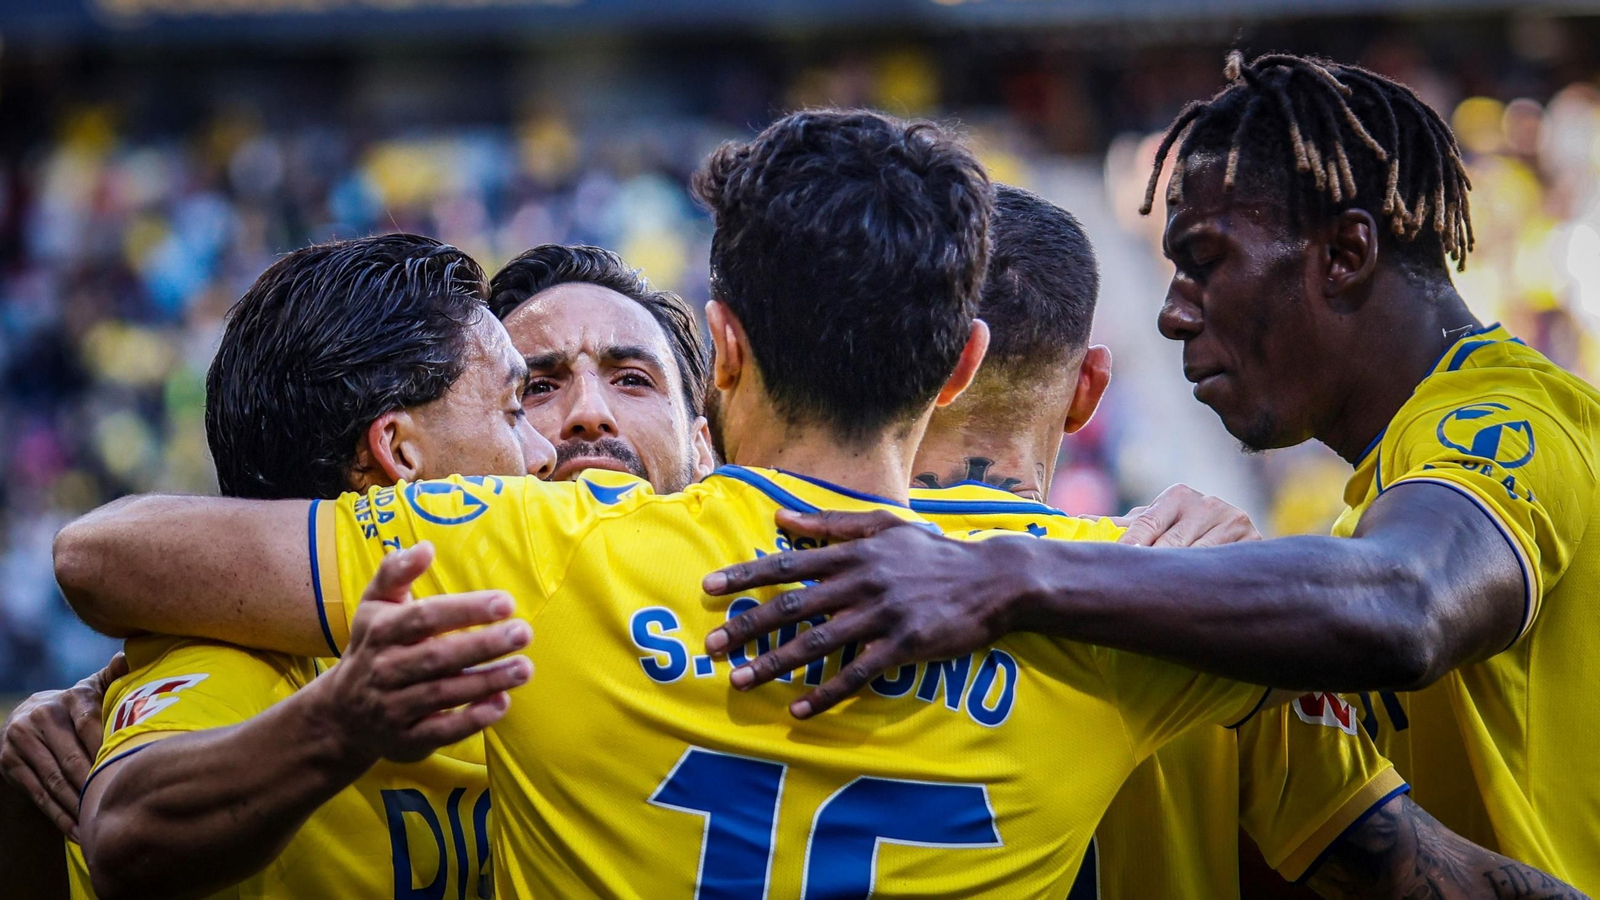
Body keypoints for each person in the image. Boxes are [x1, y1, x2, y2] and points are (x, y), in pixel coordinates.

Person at [50, 109, 1579, 898]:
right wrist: (1112, 561)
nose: (574, 422)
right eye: (533, 388)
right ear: (963, 358)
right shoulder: (1139, 616)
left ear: (717, 354)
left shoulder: (530, 560)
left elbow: (112, 552)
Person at [700, 54, 1600, 893]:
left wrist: (1012, 572)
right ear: (1082, 389)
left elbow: (1410, 602)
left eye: (1203, 262)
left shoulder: (1510, 423)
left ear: (1347, 253)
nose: (1171, 316)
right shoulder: (1228, 593)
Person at [60, 234, 553, 899]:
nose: (545, 452)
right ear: (398, 455)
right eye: (515, 409)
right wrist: (339, 724)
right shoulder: (245, 661)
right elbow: (124, 833)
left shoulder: (550, 617)